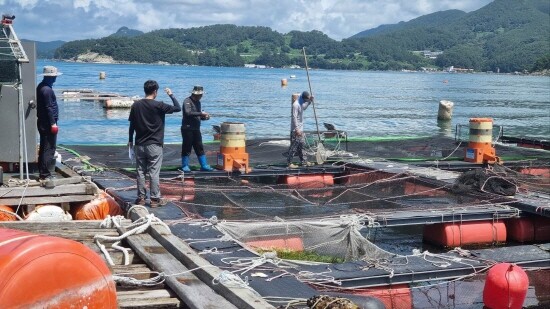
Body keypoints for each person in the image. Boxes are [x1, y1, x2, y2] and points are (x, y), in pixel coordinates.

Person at [128, 80, 181, 208]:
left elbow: (132, 125)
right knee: (153, 172)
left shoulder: (136, 105)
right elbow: (178, 108)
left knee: (140, 171)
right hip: (155, 144)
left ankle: (141, 198)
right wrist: (171, 94)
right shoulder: (159, 105)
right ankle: (154, 199)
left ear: (144, 90)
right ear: (155, 92)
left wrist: (130, 140)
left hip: (139, 143)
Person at [36, 65, 62, 180]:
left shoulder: (42, 87)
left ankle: (43, 172)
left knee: (44, 147)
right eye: (54, 76)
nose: (55, 78)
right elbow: (48, 108)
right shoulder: (47, 90)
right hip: (47, 123)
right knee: (49, 148)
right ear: (50, 77)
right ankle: (45, 174)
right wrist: (53, 123)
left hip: (43, 122)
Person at [180, 85, 214, 172]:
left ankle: (204, 165)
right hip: (187, 128)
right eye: (200, 95)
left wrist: (204, 117)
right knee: (187, 147)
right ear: (196, 94)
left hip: (196, 128)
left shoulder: (198, 102)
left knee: (199, 147)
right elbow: (188, 113)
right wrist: (200, 114)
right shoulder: (187, 101)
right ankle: (185, 165)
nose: (201, 96)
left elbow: (197, 115)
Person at [287, 91, 314, 168]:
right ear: (303, 98)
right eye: (307, 99)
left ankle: (304, 161)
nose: (307, 101)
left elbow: (304, 107)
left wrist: (310, 101)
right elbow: (294, 117)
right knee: (293, 147)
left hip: (301, 129)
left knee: (302, 146)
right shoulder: (296, 105)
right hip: (296, 130)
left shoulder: (302, 102)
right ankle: (289, 163)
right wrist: (297, 129)